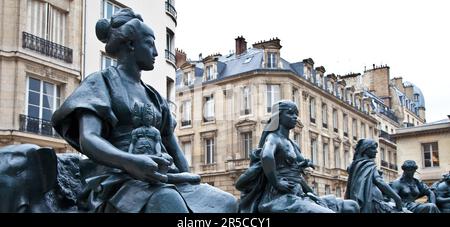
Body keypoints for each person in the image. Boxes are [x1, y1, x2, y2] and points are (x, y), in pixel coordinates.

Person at [52, 8, 236, 213]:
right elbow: (89, 138)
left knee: (227, 202)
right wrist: (130, 162)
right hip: (118, 178)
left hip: (161, 177)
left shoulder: (154, 96)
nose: (156, 52)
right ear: (131, 44)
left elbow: (172, 146)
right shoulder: (101, 82)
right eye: (150, 44)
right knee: (167, 201)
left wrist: (191, 181)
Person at [236, 100, 359, 213]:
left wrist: (313, 194)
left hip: (298, 194)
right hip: (278, 198)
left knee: (351, 205)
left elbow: (297, 176)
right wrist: (277, 182)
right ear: (278, 116)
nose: (295, 117)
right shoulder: (274, 138)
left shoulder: (293, 143)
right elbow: (266, 156)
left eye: (296, 114)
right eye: (290, 113)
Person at [345, 139, 405, 213]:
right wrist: (397, 198)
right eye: (373, 148)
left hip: (368, 202)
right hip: (372, 202)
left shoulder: (355, 165)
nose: (376, 151)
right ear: (365, 149)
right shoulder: (368, 164)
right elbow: (379, 181)